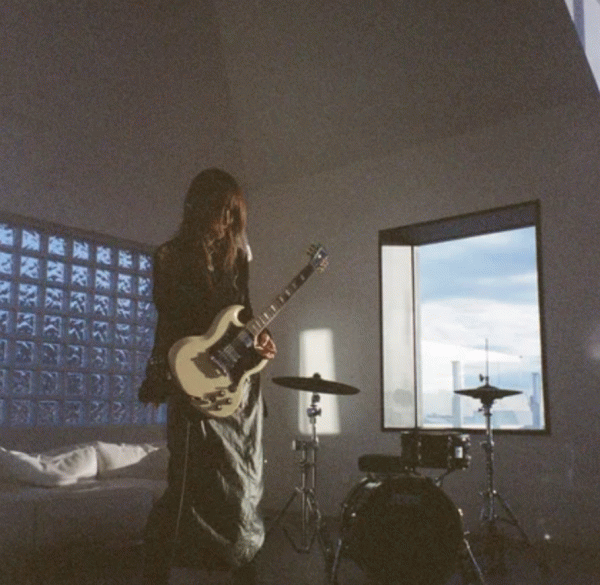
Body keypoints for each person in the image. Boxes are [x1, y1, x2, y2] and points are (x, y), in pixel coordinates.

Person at [139, 168, 276, 585]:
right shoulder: (170, 256)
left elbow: (243, 317)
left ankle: (245, 572)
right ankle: (155, 574)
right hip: (194, 379)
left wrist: (260, 342)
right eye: (222, 211)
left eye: (235, 214)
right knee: (186, 485)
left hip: (237, 389)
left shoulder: (238, 259)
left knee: (245, 486)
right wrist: (160, 375)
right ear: (200, 208)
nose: (229, 222)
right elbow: (170, 323)